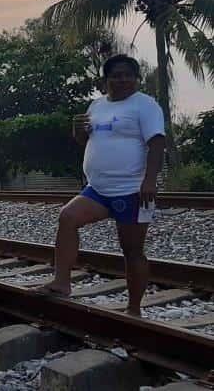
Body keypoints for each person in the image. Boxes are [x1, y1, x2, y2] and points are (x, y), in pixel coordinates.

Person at [37, 54, 165, 316]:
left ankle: (134, 309)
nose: (124, 80)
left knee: (132, 250)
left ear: (136, 78)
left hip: (132, 190)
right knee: (68, 217)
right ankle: (62, 283)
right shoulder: (97, 105)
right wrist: (79, 132)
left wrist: (150, 180)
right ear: (105, 79)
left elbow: (157, 143)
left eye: (129, 75)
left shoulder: (145, 105)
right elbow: (90, 142)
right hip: (98, 188)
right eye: (117, 75)